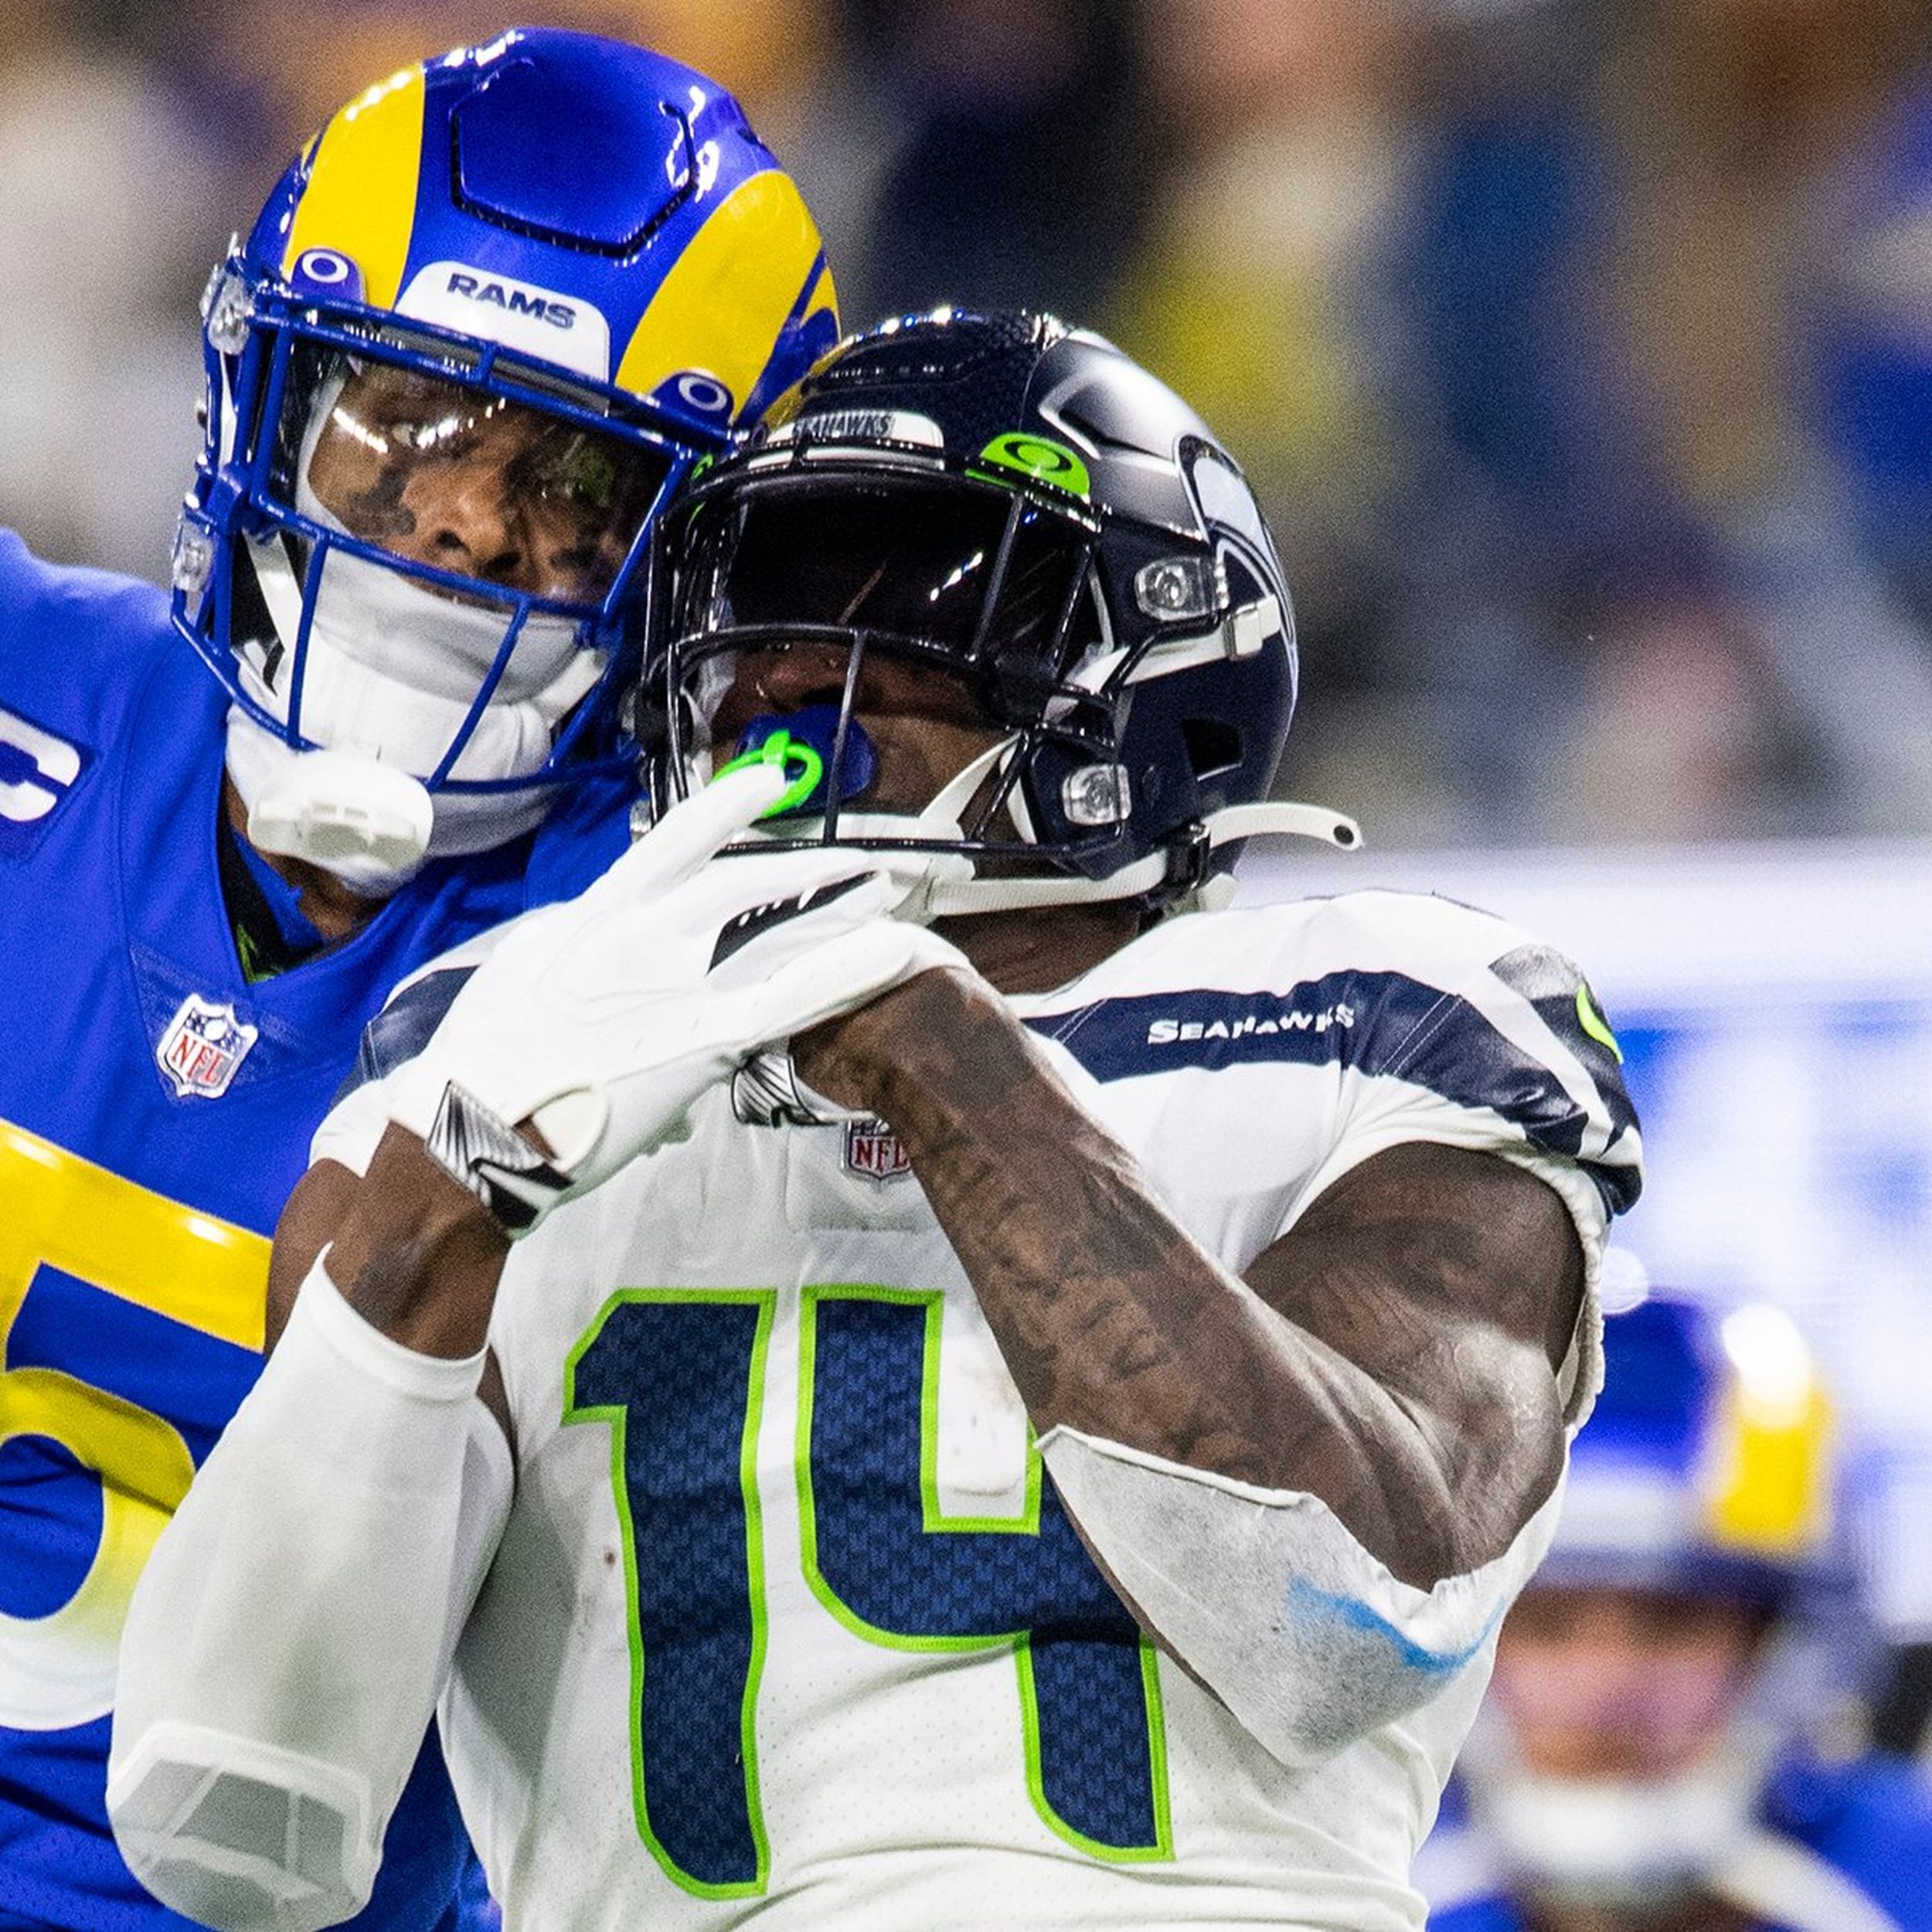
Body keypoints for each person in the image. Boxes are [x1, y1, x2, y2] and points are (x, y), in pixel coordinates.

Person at [109, 308, 1643, 1931]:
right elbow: (234, 1814)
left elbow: (1341, 1617)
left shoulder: (1377, 1003)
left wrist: (940, 1054)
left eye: (893, 585)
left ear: (1148, 654)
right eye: (755, 591)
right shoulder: (492, 1043)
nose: (781, 661)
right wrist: (444, 1196)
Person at [0, 23, 838, 1929]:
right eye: (406, 423)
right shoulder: (27, 691)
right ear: (269, 397)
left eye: (566, 487)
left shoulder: (672, 953)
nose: (463, 517)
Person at [1415, 1289, 1932, 1932]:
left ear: (1791, 1646)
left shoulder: (1907, 1881)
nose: (1604, 1690)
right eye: (1545, 1624)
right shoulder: (1340, 1870)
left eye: (1669, 1624)